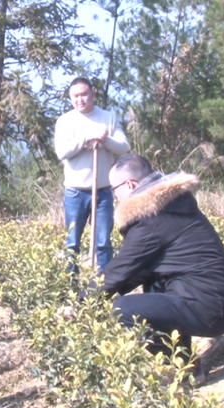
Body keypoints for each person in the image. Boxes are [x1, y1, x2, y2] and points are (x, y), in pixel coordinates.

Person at [75, 153, 224, 372]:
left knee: (123, 310)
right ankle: (186, 362)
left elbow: (119, 271)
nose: (113, 195)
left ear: (129, 185)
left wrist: (80, 306)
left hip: (211, 307)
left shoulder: (151, 219)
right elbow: (136, 271)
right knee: (153, 283)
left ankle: (185, 369)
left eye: (113, 188)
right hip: (220, 302)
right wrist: (99, 296)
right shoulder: (170, 206)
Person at [54, 77, 130, 273]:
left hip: (103, 190)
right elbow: (62, 152)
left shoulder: (108, 117)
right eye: (75, 96)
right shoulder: (65, 121)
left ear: (92, 94)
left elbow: (124, 147)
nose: (80, 99)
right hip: (75, 192)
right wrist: (87, 137)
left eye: (84, 94)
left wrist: (104, 140)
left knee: (103, 242)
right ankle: (71, 285)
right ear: (70, 97)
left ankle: (105, 286)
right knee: (72, 242)